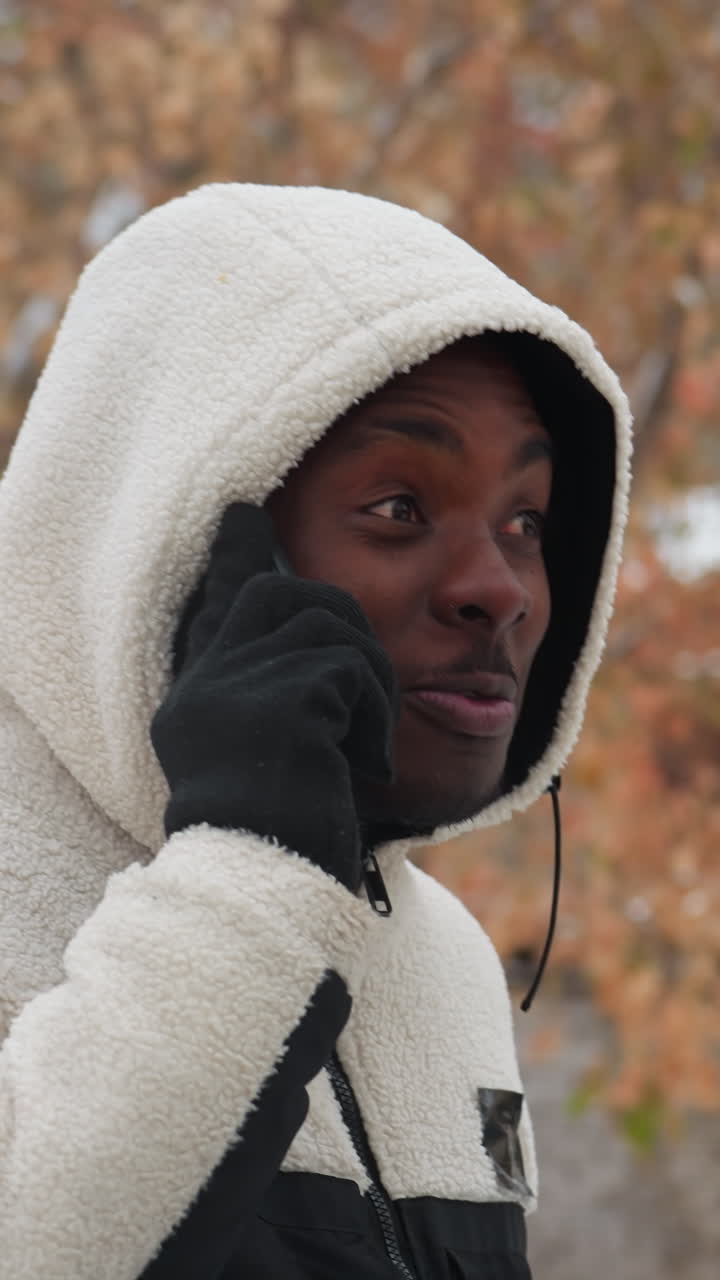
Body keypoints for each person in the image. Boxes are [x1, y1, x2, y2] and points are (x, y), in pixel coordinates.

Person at [0, 183, 631, 1280]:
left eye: (525, 520)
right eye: (398, 505)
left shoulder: (450, 960)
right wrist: (244, 875)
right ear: (186, 540)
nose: (502, 588)